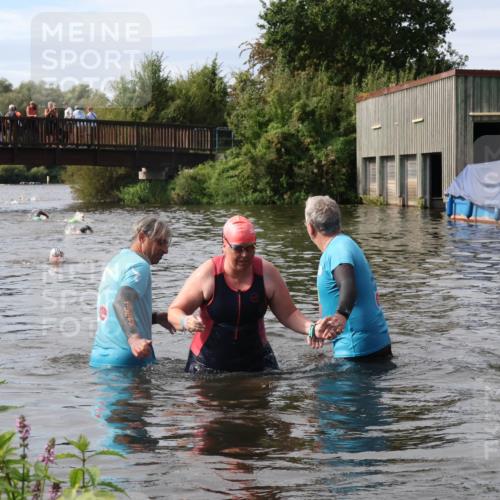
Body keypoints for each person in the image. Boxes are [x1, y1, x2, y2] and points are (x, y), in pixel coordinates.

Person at [168, 215, 331, 374]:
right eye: (238, 248)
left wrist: (312, 329)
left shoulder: (267, 273)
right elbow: (174, 311)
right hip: (208, 363)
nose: (245, 255)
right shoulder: (208, 274)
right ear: (224, 245)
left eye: (250, 247)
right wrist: (185, 320)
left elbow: (289, 314)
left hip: (257, 363)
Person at [304, 195, 392, 360]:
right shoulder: (341, 245)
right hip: (365, 347)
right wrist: (319, 329)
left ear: (310, 228)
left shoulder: (338, 249)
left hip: (359, 352)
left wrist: (341, 316)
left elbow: (347, 284)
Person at [90, 216, 175, 368]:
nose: (166, 250)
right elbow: (122, 301)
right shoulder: (140, 265)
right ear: (142, 237)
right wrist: (134, 339)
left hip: (99, 358)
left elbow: (114, 312)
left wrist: (155, 318)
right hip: (130, 358)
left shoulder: (117, 260)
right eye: (160, 242)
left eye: (167, 243)